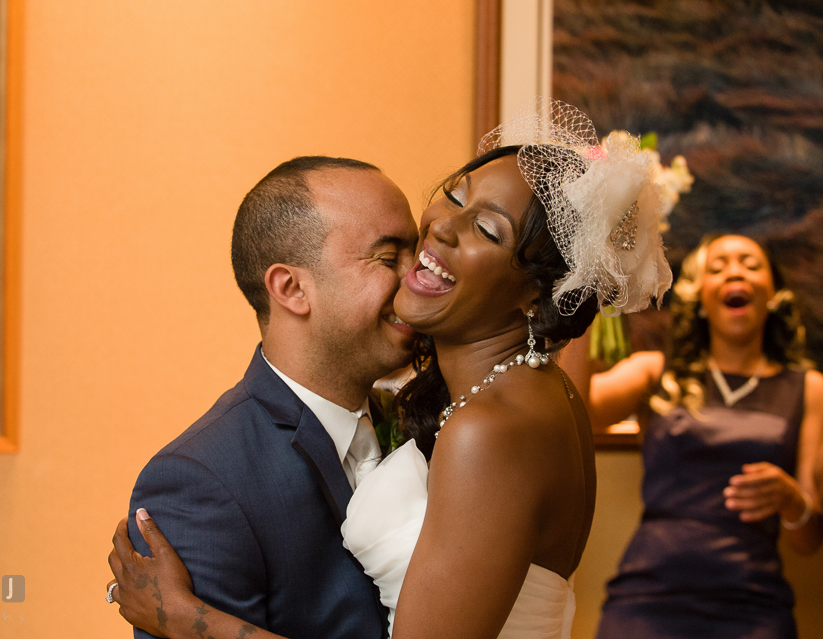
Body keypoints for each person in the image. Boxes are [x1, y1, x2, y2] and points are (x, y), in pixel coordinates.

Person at [109, 100, 673, 639]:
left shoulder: (492, 424)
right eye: (453, 197)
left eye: (489, 230)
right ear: (292, 289)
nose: (429, 248)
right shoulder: (204, 479)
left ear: (535, 291)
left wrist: (190, 622)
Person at [108, 155, 420, 639]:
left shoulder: (422, 423)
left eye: (416, 256)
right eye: (388, 258)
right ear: (292, 288)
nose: (418, 280)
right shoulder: (199, 480)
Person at [590, 234, 823, 638]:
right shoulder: (653, 370)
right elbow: (578, 411)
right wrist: (585, 288)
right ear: (699, 297)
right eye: (718, 267)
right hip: (647, 603)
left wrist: (790, 500)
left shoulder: (810, 389)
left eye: (750, 264)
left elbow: (807, 542)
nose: (735, 271)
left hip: (752, 608)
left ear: (774, 293)